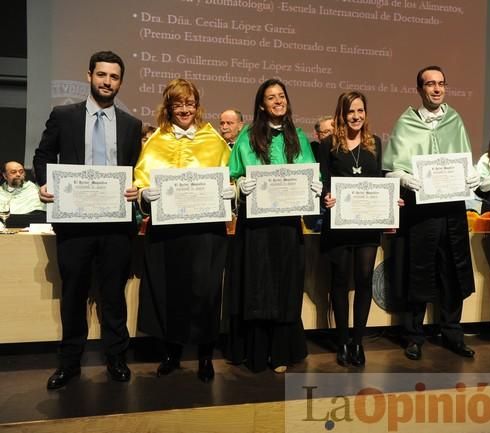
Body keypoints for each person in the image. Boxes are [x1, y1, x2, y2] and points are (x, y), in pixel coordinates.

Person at [33, 51, 142, 389]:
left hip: (116, 226)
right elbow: (43, 155)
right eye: (101, 75)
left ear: (120, 82)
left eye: (114, 77)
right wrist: (43, 182)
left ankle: (116, 358)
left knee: (113, 294)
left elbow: (136, 169)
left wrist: (138, 187)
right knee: (74, 293)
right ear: (89, 76)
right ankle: (69, 363)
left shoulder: (131, 124)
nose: (107, 82)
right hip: (75, 224)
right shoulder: (63, 115)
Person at [133, 79, 233, 382]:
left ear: (197, 106)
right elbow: (141, 181)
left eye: (190, 103)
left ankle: (205, 356)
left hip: (206, 234)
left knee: (205, 293)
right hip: (168, 234)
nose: (185, 109)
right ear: (169, 107)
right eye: (178, 104)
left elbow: (229, 176)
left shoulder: (213, 139)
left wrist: (232, 190)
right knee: (170, 291)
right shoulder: (156, 140)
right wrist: (143, 195)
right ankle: (172, 353)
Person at [383, 65, 480, 361]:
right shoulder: (405, 123)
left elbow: (464, 162)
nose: (436, 89)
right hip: (420, 213)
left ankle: (452, 333)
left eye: (441, 84)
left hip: (451, 210)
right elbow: (390, 168)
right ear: (420, 89)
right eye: (430, 84)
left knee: (453, 268)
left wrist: (472, 176)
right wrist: (403, 177)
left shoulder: (455, 120)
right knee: (418, 271)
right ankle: (414, 336)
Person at [225, 78, 321, 373]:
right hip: (256, 227)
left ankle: (280, 352)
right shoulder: (248, 136)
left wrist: (314, 185)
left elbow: (308, 172)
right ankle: (256, 353)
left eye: (282, 96)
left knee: (284, 286)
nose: (278, 101)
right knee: (258, 287)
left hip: (287, 225)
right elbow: (232, 175)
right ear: (261, 105)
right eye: (271, 97)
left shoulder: (298, 136)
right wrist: (241, 183)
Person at [319, 91, 387, 367]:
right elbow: (322, 179)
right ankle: (342, 342)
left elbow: (378, 180)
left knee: (363, 280)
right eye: (351, 112)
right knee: (339, 281)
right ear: (341, 114)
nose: (356, 116)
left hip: (367, 225)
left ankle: (358, 342)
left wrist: (389, 199)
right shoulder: (328, 144)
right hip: (339, 224)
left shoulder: (375, 144)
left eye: (360, 111)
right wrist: (325, 195)